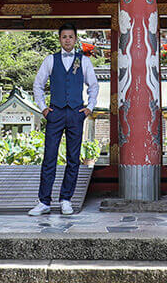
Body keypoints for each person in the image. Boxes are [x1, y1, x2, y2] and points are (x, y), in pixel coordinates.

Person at [27, 23, 98, 216]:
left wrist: (89, 108)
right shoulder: (51, 60)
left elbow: (93, 85)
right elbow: (38, 84)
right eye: (64, 37)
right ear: (60, 39)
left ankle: (66, 199)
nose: (67, 40)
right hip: (55, 113)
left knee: (73, 159)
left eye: (70, 37)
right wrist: (43, 108)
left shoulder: (83, 61)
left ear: (76, 39)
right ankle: (44, 201)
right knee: (49, 156)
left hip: (76, 113)